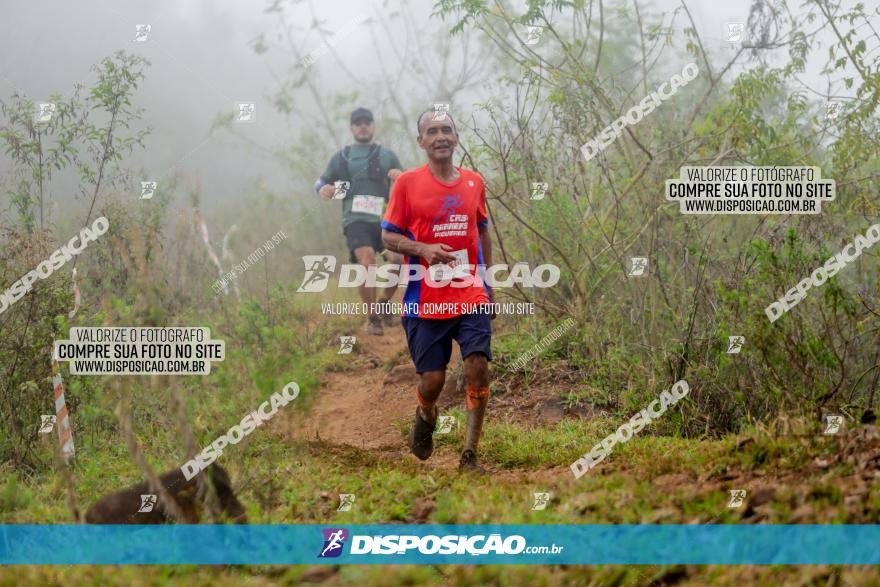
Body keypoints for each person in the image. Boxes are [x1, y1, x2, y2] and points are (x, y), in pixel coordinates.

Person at [381, 108, 495, 473]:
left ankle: (469, 455)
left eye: (447, 129)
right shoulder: (407, 184)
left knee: (477, 366)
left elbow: (482, 230)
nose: (440, 136)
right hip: (424, 298)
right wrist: (424, 250)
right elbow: (388, 236)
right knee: (433, 381)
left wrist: (487, 282)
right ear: (421, 142)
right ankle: (425, 413)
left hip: (469, 290)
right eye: (432, 131)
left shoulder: (475, 182)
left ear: (457, 137)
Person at [315, 107, 404, 335]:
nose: (363, 126)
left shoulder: (387, 155)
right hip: (355, 221)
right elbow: (321, 182)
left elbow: (406, 181)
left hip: (384, 219)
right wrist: (324, 189)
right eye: (358, 123)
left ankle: (384, 304)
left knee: (397, 260)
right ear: (352, 128)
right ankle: (372, 317)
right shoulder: (341, 156)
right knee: (367, 262)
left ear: (373, 126)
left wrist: (399, 176)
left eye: (367, 122)